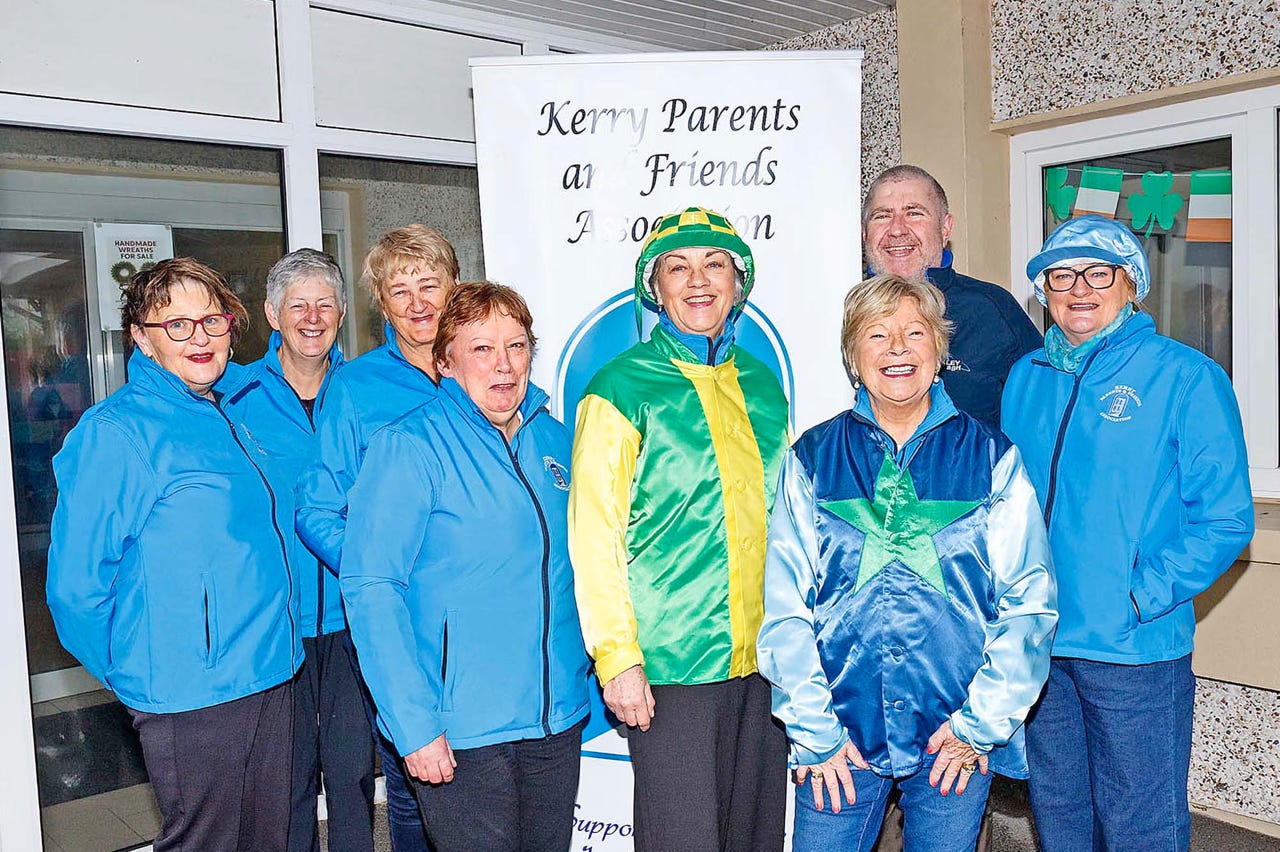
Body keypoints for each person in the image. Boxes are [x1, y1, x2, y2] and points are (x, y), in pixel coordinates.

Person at [756, 273, 1057, 851]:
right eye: (877, 334)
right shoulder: (812, 458)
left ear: (939, 352)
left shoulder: (992, 457)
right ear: (853, 357)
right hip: (837, 741)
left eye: (915, 332)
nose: (897, 348)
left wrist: (977, 726)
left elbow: (1030, 605)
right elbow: (784, 606)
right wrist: (816, 730)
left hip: (953, 741)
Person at [1002, 214, 1254, 851]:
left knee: (1140, 825)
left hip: (1132, 649)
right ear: (1044, 290)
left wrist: (1139, 595)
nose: (1078, 289)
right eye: (1061, 276)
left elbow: (1226, 519)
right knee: (1060, 816)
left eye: (1097, 273)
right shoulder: (1026, 376)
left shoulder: (1186, 376)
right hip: (1041, 643)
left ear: (1132, 283)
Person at [46, 257, 298, 851]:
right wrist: (135, 673)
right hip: (192, 694)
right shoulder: (116, 433)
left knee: (270, 841)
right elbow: (75, 589)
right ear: (142, 337)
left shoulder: (231, 411)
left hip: (270, 670)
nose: (200, 337)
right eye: (177, 325)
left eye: (212, 320)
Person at [569, 207, 791, 851]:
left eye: (714, 264)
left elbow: (787, 520)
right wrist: (617, 659)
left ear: (738, 284)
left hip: (766, 661)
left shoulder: (763, 385)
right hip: (671, 666)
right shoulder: (619, 387)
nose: (698, 281)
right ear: (655, 287)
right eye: (678, 267)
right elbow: (595, 536)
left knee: (755, 838)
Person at [342, 281, 590, 851]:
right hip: (461, 730)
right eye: (482, 348)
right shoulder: (409, 446)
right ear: (446, 362)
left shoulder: (555, 440)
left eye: (517, 346)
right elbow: (372, 588)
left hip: (556, 720)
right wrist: (414, 725)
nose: (504, 364)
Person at [295, 224, 458, 851]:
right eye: (399, 291)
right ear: (381, 305)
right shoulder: (355, 388)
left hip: (485, 619)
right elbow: (317, 509)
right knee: (415, 793)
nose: (417, 304)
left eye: (430, 285)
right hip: (404, 627)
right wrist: (382, 575)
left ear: (454, 287)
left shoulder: (483, 366)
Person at [229, 249, 375, 852]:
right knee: (285, 780)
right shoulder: (233, 396)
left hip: (353, 616)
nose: (312, 318)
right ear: (272, 314)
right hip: (272, 620)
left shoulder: (365, 391)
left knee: (352, 771)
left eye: (325, 304)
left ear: (342, 313)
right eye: (298, 305)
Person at [863, 164, 1042, 426]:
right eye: (882, 216)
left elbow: (1044, 418)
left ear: (945, 228)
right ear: (864, 232)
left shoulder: (993, 310)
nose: (897, 229)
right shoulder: (839, 312)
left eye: (914, 213)